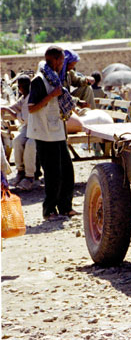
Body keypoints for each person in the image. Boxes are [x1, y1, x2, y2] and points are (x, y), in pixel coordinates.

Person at [28, 46, 77, 220]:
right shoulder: (39, 80)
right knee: (52, 173)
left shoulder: (54, 78)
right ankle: (49, 211)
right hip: (44, 133)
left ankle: (65, 207)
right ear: (55, 60)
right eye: (61, 60)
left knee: (67, 170)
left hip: (56, 131)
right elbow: (31, 108)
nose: (62, 64)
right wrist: (51, 96)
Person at [2, 75, 38, 190]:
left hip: (38, 129)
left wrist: (9, 111)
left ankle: (30, 176)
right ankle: (20, 171)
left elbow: (24, 118)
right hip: (28, 128)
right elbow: (16, 106)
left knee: (30, 145)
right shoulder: (23, 98)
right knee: (17, 141)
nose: (20, 89)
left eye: (22, 86)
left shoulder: (32, 97)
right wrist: (4, 107)